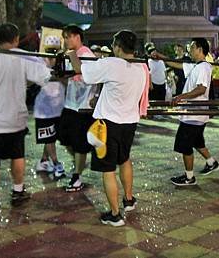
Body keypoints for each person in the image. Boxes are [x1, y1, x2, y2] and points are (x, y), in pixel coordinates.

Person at [68, 30, 148, 226]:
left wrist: (71, 54)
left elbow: (81, 71)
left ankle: (114, 214)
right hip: (129, 122)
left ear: (118, 47)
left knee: (108, 169)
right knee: (125, 159)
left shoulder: (111, 64)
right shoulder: (141, 67)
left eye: (114, 45)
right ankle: (128, 199)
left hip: (108, 124)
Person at [0, 23, 51, 217]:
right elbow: (45, 76)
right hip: (15, 119)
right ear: (16, 38)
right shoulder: (24, 57)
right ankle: (18, 190)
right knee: (17, 155)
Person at [153, 38, 219, 185]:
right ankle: (211, 162)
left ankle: (189, 177)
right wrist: (161, 57)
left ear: (200, 49)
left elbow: (201, 89)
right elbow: (177, 65)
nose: (189, 49)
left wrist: (180, 97)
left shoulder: (203, 67)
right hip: (194, 114)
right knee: (197, 141)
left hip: (194, 114)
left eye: (192, 47)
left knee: (184, 144)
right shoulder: (196, 66)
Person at [58, 24, 97, 192]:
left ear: (77, 37)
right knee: (64, 137)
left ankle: (77, 176)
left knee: (80, 143)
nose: (66, 40)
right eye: (65, 37)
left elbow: (80, 71)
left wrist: (71, 56)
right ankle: (78, 164)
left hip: (83, 107)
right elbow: (69, 78)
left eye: (68, 37)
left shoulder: (87, 54)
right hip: (70, 104)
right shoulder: (70, 55)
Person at [33, 49, 67, 180]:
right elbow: (38, 80)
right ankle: (56, 163)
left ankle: (43, 160)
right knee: (49, 138)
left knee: (52, 136)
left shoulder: (61, 63)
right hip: (44, 109)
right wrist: (54, 75)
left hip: (58, 108)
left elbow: (66, 81)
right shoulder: (39, 63)